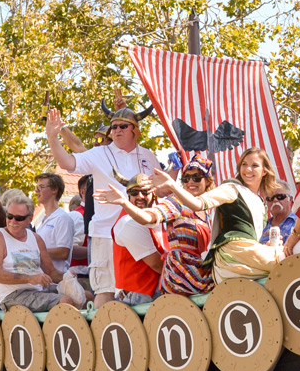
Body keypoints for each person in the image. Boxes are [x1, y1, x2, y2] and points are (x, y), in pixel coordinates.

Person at [45, 107, 159, 306]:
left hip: (142, 233)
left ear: (135, 129)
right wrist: (52, 137)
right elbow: (67, 163)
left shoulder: (148, 156)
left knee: (142, 290)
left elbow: (161, 190)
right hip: (106, 233)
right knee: (106, 291)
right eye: (114, 127)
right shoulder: (99, 153)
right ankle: (103, 327)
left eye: (123, 126)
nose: (117, 130)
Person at [151, 147, 284, 281]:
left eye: (254, 165)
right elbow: (197, 204)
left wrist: (265, 247)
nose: (248, 169)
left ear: (265, 171)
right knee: (285, 259)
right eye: (244, 164)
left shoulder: (261, 202)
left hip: (245, 257)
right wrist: (172, 185)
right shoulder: (231, 188)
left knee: (280, 265)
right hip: (232, 256)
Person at [99, 154, 215, 296]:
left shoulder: (208, 209)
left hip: (199, 270)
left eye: (196, 178)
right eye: (134, 192)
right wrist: (124, 203)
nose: (140, 196)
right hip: (165, 284)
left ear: (207, 181)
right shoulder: (174, 204)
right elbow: (149, 218)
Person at [0, 192, 88, 312]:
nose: (13, 221)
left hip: (38, 290)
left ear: (29, 219)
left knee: (86, 297)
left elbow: (51, 272)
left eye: (19, 218)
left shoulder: (36, 238)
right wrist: (30, 279)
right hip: (12, 295)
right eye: (9, 216)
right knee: (65, 302)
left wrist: (67, 276)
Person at [105, 175, 167, 305]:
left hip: (151, 289)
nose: (140, 196)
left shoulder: (157, 216)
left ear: (154, 194)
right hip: (139, 296)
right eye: (134, 192)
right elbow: (156, 264)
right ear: (128, 196)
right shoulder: (129, 222)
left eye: (145, 192)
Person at [34, 173, 79, 297]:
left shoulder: (62, 218)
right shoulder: (43, 220)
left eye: (41, 187)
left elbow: (63, 252)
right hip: (42, 283)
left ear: (54, 190)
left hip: (55, 285)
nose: (37, 190)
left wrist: (34, 252)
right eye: (37, 187)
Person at [259, 180, 297, 246]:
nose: (275, 200)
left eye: (280, 196)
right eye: (270, 198)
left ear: (290, 199)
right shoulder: (261, 227)